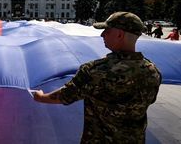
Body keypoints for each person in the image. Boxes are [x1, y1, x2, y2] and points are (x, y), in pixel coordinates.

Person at [33, 12, 161, 143]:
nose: (102, 34)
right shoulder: (152, 71)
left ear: (119, 34)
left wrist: (41, 97)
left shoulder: (96, 70)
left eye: (107, 30)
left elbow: (66, 95)